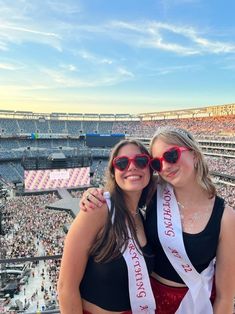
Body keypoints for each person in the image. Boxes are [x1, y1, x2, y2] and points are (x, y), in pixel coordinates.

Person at [80, 127, 235, 314]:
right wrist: (92, 194)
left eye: (171, 156)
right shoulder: (154, 192)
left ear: (194, 155)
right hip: (146, 300)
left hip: (192, 304)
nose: (166, 167)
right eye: (157, 163)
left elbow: (225, 298)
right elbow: (122, 189)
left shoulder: (225, 217)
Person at [57, 139, 157, 314]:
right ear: (113, 172)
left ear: (150, 168)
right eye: (122, 163)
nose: (132, 167)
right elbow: (66, 287)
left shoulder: (142, 216)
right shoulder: (96, 209)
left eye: (140, 161)